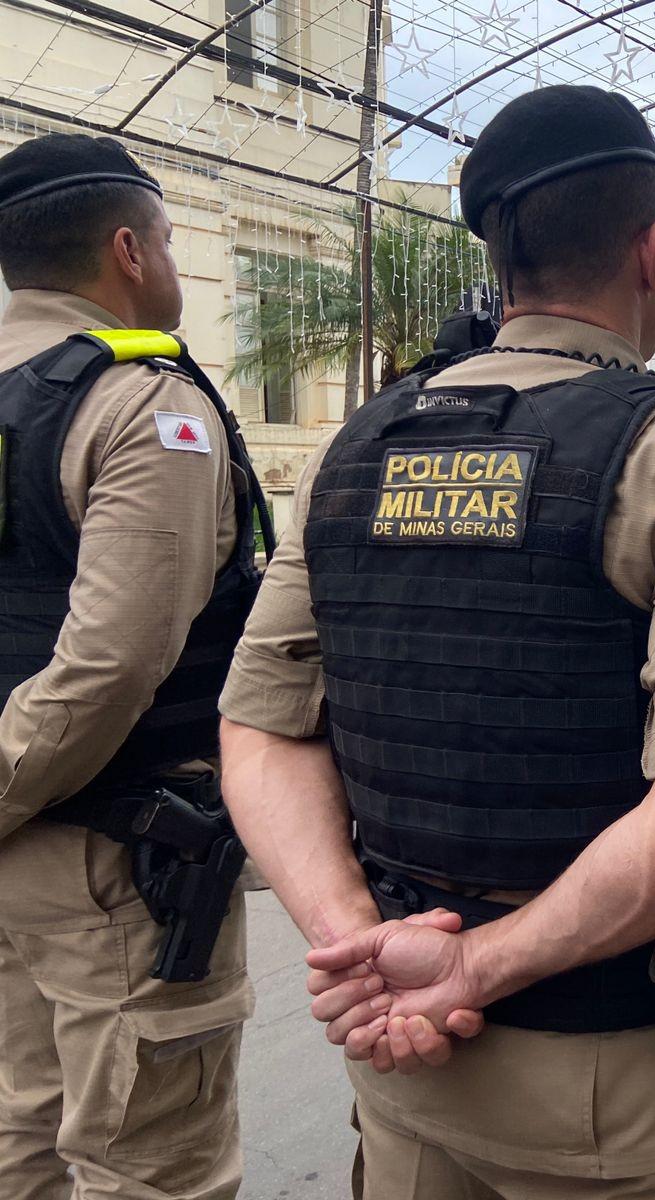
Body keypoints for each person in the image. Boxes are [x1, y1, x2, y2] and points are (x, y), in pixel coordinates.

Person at [217, 86, 655, 1198]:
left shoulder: (354, 451)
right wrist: (472, 966)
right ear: (652, 252)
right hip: (606, 1090)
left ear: (498, 256)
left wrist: (358, 943)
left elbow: (261, 727)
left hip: (401, 1059)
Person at [0, 133, 265, 1196]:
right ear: (127, 250)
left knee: (21, 1130)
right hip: (116, 859)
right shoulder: (140, 402)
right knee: (153, 1167)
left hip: (27, 846)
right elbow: (113, 666)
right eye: (166, 241)